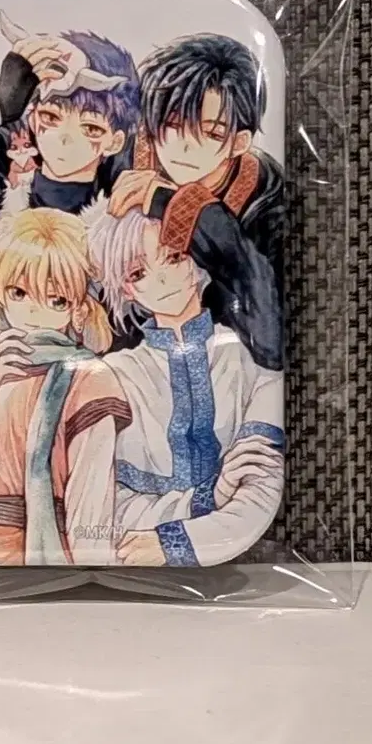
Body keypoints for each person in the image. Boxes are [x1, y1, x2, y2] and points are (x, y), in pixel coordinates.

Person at [0, 207, 131, 567]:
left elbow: (91, 493)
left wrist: (89, 565)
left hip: (54, 550)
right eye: (18, 292)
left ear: (78, 309)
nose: (33, 310)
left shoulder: (89, 380)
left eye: (56, 300)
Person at [0, 12, 141, 348]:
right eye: (52, 117)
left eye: (91, 128)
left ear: (115, 141)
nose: (65, 139)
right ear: (33, 118)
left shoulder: (123, 208)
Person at [86, 201, 285, 567]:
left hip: (245, 565)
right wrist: (210, 497)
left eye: (174, 257)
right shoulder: (113, 375)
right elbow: (103, 509)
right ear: (126, 289)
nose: (162, 279)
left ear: (197, 260)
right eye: (138, 272)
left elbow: (262, 492)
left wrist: (172, 542)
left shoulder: (250, 360)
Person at [107, 34, 285, 371]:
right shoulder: (129, 160)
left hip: (227, 371)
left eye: (212, 133)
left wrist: (183, 208)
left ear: (239, 142)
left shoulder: (266, 201)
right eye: (173, 126)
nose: (185, 146)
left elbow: (271, 344)